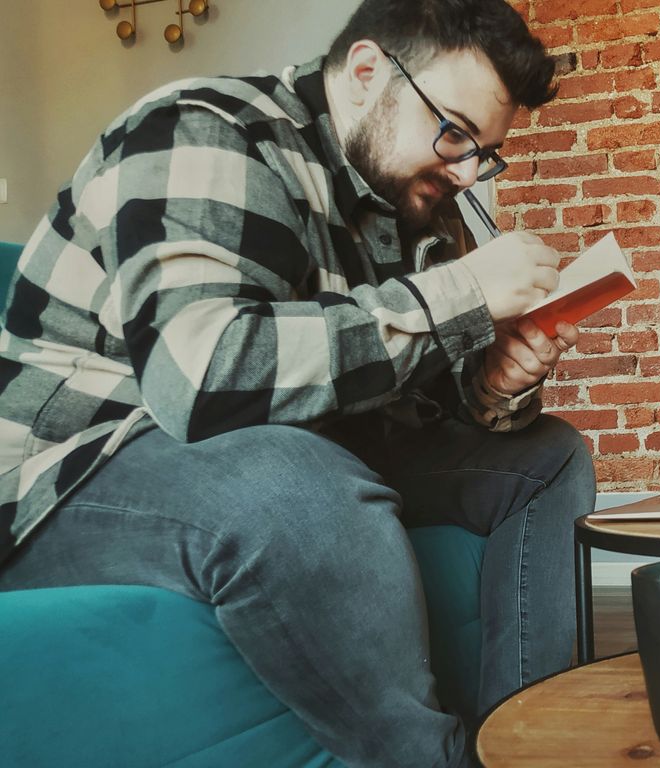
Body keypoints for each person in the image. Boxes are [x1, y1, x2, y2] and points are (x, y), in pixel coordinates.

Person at [0, 0, 594, 765]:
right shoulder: (206, 128)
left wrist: (493, 380)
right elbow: (202, 378)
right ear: (367, 71)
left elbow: (407, 402)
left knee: (547, 458)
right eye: (454, 133)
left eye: (486, 152)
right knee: (295, 479)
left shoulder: (411, 202)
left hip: (292, 445)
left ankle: (532, 742)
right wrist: (463, 297)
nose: (468, 170)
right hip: (81, 464)